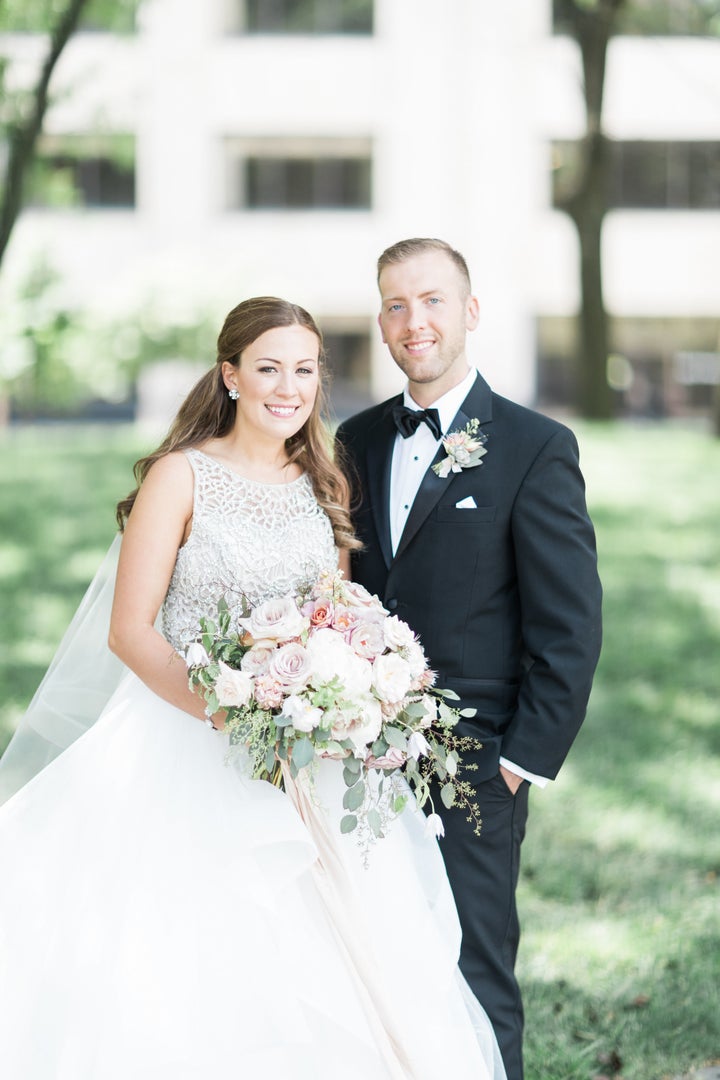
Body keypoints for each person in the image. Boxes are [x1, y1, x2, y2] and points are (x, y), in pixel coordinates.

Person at [0, 296, 507, 1079]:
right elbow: (130, 631)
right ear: (230, 374)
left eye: (304, 369)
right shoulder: (181, 475)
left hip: (306, 752)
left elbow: (335, 613)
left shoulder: (322, 477)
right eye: (268, 367)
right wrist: (236, 716)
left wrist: (353, 687)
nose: (288, 386)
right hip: (186, 741)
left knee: (336, 963)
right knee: (197, 965)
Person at [336, 239, 603, 1080]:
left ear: (471, 312)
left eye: (433, 301)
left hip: (475, 759)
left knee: (476, 971)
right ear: (381, 322)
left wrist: (518, 763)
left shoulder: (534, 445)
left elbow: (570, 625)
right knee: (370, 967)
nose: (416, 322)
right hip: (356, 752)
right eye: (396, 305)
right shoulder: (354, 438)